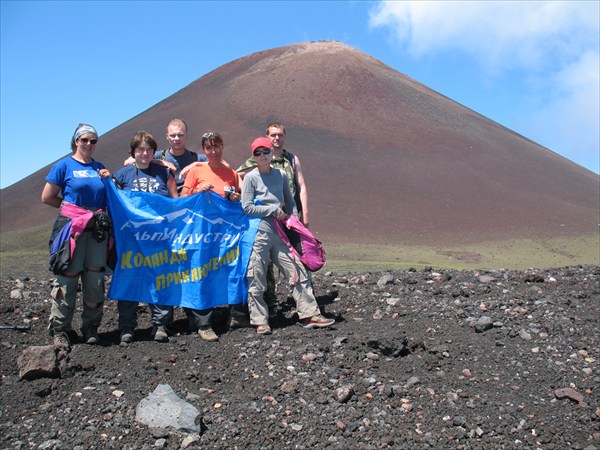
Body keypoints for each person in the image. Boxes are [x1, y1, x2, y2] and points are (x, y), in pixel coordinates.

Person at [241, 137, 334, 335]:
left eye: (265, 151)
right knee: (256, 274)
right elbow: (246, 207)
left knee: (296, 269)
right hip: (259, 232)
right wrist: (273, 210)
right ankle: (260, 321)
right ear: (253, 157)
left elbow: (290, 202)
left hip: (281, 232)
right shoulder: (250, 178)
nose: (263, 156)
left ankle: (309, 313)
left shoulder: (281, 175)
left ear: (270, 153)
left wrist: (293, 221)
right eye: (258, 153)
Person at [104, 131, 177, 343]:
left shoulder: (163, 174)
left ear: (154, 151)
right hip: (131, 241)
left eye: (148, 149)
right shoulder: (123, 175)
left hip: (159, 239)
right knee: (129, 278)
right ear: (133, 152)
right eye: (140, 149)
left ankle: (161, 324)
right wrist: (107, 179)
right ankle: (127, 326)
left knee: (160, 278)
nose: (144, 153)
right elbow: (114, 202)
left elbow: (176, 202)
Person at [41, 123, 110, 347]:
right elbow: (48, 197)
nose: (89, 144)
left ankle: (91, 327)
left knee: (94, 279)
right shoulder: (63, 166)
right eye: (84, 140)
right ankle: (60, 330)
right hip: (72, 230)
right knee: (67, 278)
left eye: (93, 141)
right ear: (75, 141)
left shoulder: (100, 167)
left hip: (97, 232)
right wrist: (73, 211)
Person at [180, 131, 249, 341]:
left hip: (226, 233)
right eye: (209, 148)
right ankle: (204, 323)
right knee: (202, 271)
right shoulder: (197, 171)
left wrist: (236, 198)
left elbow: (238, 202)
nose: (213, 151)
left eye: (217, 146)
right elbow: (183, 198)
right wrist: (197, 190)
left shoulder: (231, 173)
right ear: (204, 150)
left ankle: (236, 315)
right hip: (202, 233)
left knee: (231, 267)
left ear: (222, 146)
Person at [237, 122, 310, 307]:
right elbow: (237, 176)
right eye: (273, 135)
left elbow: (300, 187)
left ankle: (304, 304)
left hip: (288, 218)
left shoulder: (290, 160)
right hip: (263, 222)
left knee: (297, 258)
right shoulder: (253, 167)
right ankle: (268, 304)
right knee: (262, 267)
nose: (277, 138)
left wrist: (302, 214)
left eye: (280, 135)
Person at [124, 118, 208, 193]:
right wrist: (160, 162)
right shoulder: (159, 156)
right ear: (167, 137)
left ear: (186, 136)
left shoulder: (196, 158)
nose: (176, 138)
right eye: (173, 135)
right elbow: (128, 162)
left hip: (190, 199)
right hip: (168, 201)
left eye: (180, 135)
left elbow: (219, 163)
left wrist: (195, 164)